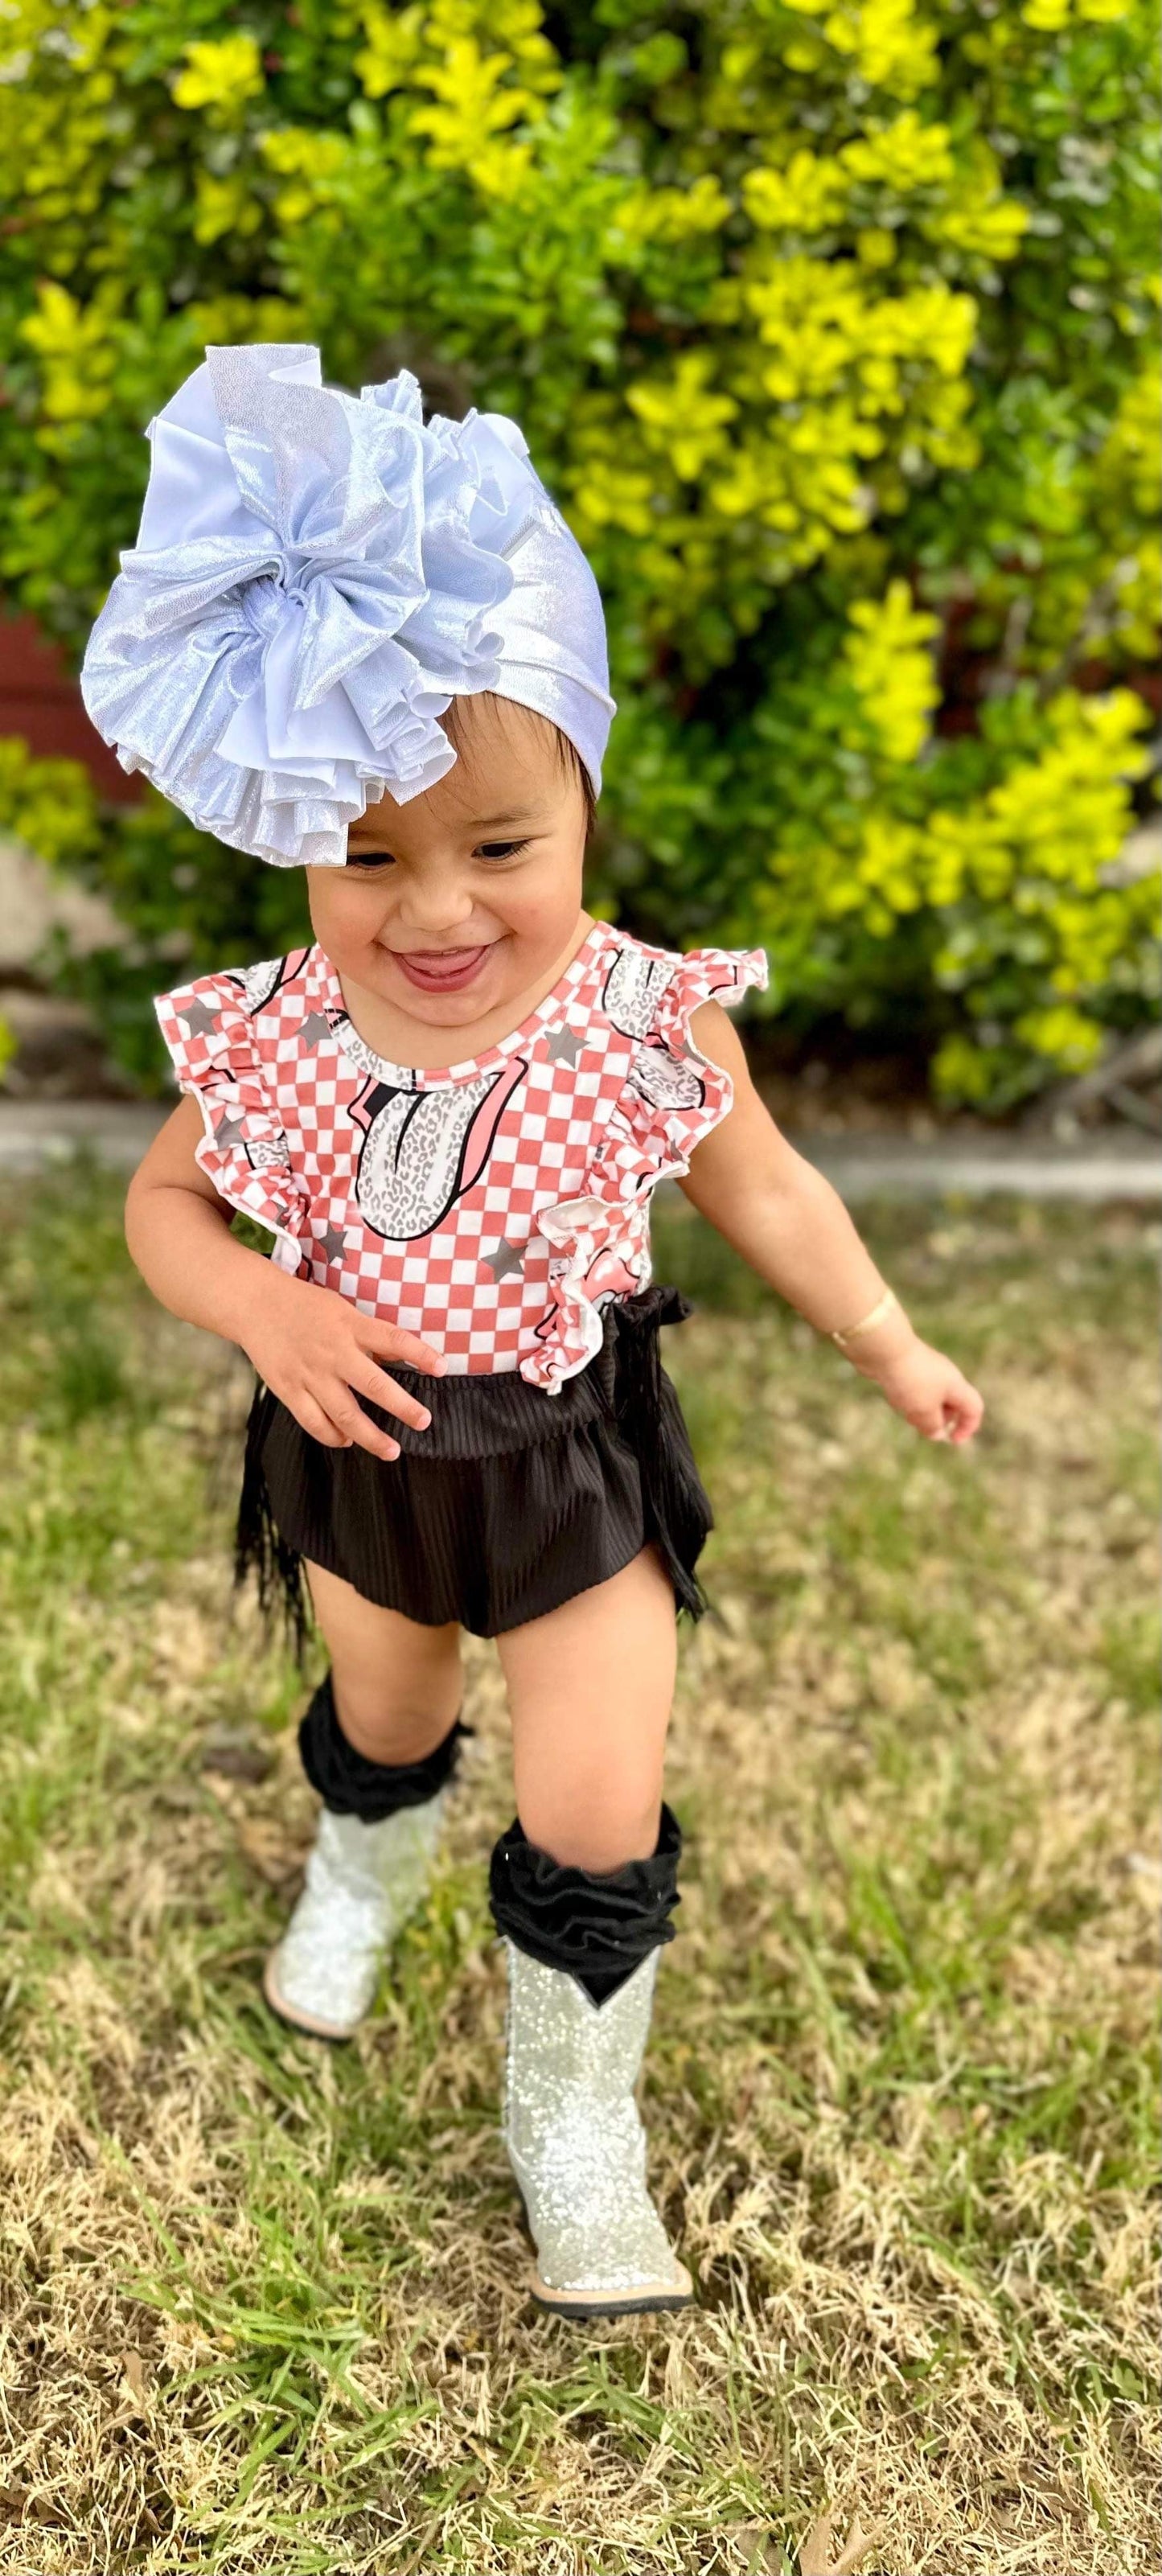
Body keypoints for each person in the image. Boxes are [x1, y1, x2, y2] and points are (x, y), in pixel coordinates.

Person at [86, 343, 983, 2322]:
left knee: (597, 1796)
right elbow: (163, 1209)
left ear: (582, 800)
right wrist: (258, 1299)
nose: (435, 912)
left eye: (500, 848)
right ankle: (364, 1861)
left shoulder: (641, 1017)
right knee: (394, 1714)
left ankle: (574, 2113)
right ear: (297, 836)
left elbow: (765, 1190)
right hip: (363, 1457)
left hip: (573, 1465)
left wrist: (888, 1337)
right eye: (367, 856)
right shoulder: (284, 1031)